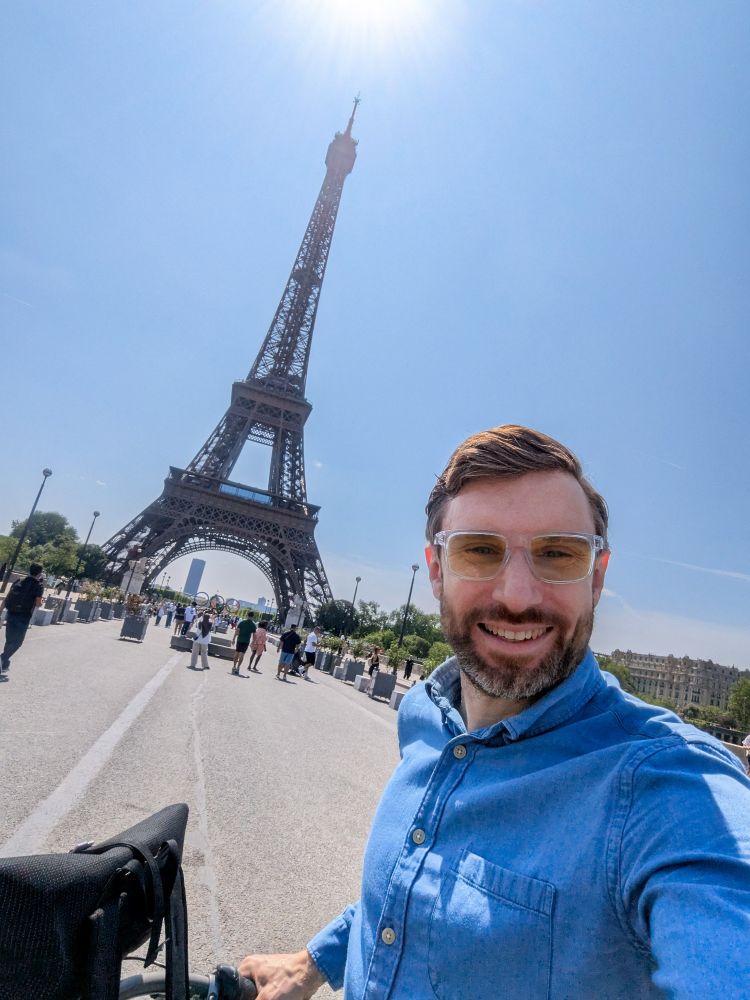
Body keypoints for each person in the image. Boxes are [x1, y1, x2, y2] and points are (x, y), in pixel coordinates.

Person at [238, 424, 750, 999]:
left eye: (559, 553)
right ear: (436, 569)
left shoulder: (665, 784)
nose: (517, 595)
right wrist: (313, 961)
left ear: (597, 578)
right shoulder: (427, 717)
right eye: (480, 550)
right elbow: (421, 880)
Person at [0, 563, 45, 681]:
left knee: (10, 640)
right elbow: (38, 603)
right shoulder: (38, 585)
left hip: (11, 614)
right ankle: (2, 659)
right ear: (40, 573)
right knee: (17, 642)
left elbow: (7, 597)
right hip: (23, 617)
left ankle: (3, 664)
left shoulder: (19, 580)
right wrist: (41, 601)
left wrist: (0, 610)